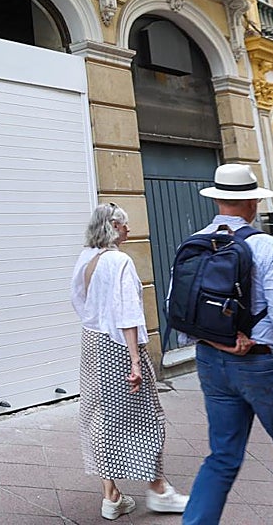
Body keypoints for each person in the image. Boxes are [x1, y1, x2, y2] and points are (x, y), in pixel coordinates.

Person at [182, 164, 273, 525]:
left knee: (222, 457)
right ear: (254, 202)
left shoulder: (193, 242)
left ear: (218, 200)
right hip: (261, 365)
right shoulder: (266, 246)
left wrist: (224, 343)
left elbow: (179, 314)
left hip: (211, 361)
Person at [71, 203, 189, 520]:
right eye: (124, 225)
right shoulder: (119, 261)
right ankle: (160, 490)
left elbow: (78, 302)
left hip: (92, 343)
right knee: (149, 416)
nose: (129, 230)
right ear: (112, 225)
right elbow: (127, 314)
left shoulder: (86, 260)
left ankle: (111, 496)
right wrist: (135, 361)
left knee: (100, 416)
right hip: (119, 347)